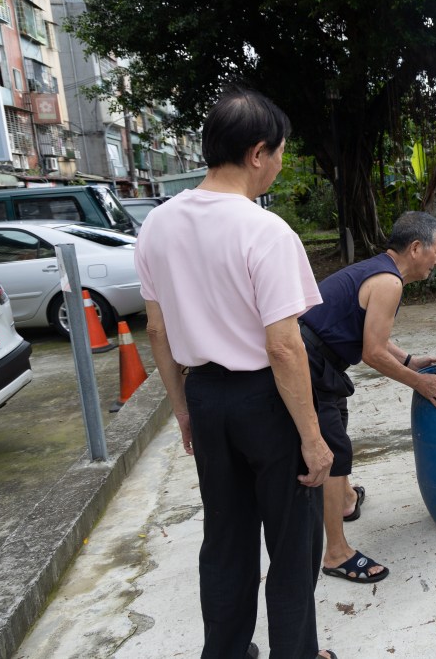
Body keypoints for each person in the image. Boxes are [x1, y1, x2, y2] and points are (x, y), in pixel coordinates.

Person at [134, 87, 337, 659]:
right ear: (256, 153)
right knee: (293, 544)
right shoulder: (265, 231)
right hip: (267, 403)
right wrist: (313, 438)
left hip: (206, 396)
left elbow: (157, 330)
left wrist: (183, 409)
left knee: (224, 542)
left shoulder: (157, 225)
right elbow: (284, 348)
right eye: (278, 154)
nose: (278, 164)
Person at [299, 210, 436, 584]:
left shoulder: (381, 271)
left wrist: (408, 360)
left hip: (322, 363)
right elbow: (371, 353)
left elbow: (378, 338)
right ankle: (336, 553)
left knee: (338, 430)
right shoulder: (389, 282)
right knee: (333, 451)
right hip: (309, 365)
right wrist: (419, 382)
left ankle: (347, 500)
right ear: (416, 248)